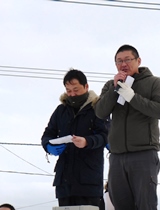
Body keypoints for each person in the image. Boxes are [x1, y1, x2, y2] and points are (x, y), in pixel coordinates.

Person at [95, 44, 160, 210]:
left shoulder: (153, 83)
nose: (123, 64)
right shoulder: (110, 85)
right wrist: (115, 90)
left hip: (143, 155)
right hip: (117, 157)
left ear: (138, 61)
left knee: (145, 205)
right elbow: (100, 112)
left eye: (128, 60)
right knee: (120, 205)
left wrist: (133, 97)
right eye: (119, 61)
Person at [41, 68, 109, 207]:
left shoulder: (98, 108)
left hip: (89, 182)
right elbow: (48, 134)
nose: (72, 94)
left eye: (76, 90)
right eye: (68, 90)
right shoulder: (61, 110)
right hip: (64, 182)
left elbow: (105, 136)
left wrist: (87, 142)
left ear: (86, 86)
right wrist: (48, 146)